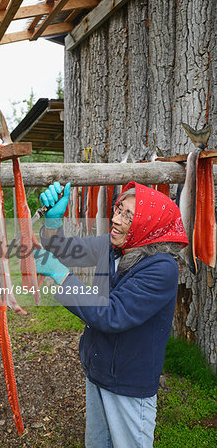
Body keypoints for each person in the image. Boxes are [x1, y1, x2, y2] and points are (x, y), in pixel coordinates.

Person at [33, 181, 188, 448]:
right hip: (99, 369)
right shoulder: (115, 245)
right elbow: (63, 249)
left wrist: (60, 275)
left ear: (147, 224)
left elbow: (111, 314)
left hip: (128, 381)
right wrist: (53, 222)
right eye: (118, 209)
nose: (115, 219)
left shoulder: (162, 269)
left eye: (128, 215)